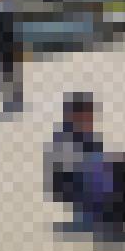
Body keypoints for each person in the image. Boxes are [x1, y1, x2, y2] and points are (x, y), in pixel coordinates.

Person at [45, 93, 111, 225]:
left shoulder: (92, 139)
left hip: (89, 184)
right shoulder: (61, 139)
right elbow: (68, 172)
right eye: (86, 116)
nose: (90, 121)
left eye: (90, 116)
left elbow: (97, 164)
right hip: (72, 186)